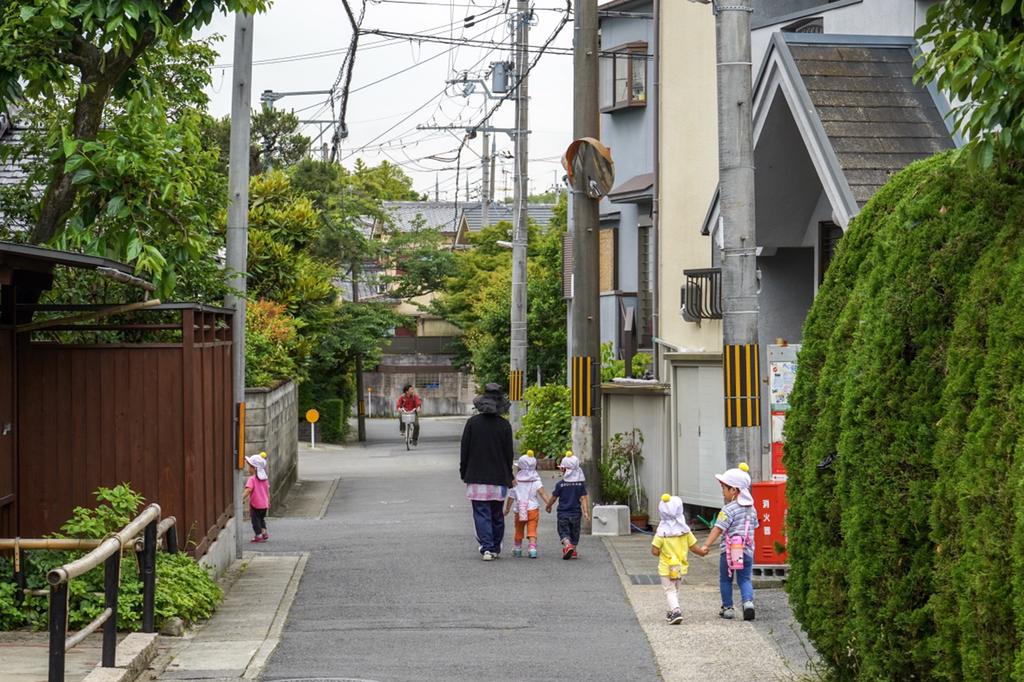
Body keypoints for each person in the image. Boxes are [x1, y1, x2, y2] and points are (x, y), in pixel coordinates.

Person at [459, 383, 514, 561]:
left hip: (476, 476)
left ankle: (487, 548)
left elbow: (465, 450)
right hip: (499, 477)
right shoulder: (504, 426)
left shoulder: (472, 423)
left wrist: (463, 471)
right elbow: (508, 454)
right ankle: (496, 547)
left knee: (481, 513)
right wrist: (510, 476)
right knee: (496, 513)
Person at [699, 462, 759, 620]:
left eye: (724, 488)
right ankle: (748, 603)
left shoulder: (728, 509)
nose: (722, 492)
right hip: (746, 550)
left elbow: (718, 529)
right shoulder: (752, 509)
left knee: (726, 578)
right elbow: (755, 526)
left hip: (729, 551)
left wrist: (706, 545)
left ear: (734, 490)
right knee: (745, 578)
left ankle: (728, 608)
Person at [651, 494, 706, 624]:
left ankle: (676, 611)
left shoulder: (661, 533)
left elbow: (654, 551)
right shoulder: (685, 531)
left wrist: (661, 552)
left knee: (669, 590)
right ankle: (671, 612)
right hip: (680, 566)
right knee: (675, 589)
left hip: (666, 567)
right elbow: (693, 547)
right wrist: (702, 552)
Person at [504, 452, 552, 558]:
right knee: (532, 529)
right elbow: (542, 493)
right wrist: (548, 504)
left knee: (518, 529)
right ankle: (532, 549)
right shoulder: (536, 481)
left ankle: (517, 548)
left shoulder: (515, 482)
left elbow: (511, 497)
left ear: (520, 468)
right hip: (533, 509)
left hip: (519, 510)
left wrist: (507, 508)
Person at [545, 450, 590, 559]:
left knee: (564, 532)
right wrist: (586, 512)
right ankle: (573, 551)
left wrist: (548, 506)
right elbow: (583, 498)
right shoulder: (580, 484)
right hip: (576, 514)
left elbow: (553, 498)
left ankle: (567, 545)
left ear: (565, 469)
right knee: (575, 533)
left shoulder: (560, 485)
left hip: (563, 514)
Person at [242, 452, 270, 543]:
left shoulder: (252, 479)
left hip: (256, 504)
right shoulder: (265, 479)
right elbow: (267, 490)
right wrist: (268, 501)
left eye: (249, 467)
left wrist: (241, 497)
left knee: (255, 521)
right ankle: (264, 532)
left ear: (254, 468)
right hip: (264, 504)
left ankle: (258, 536)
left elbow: (249, 489)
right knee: (261, 519)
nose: (248, 469)